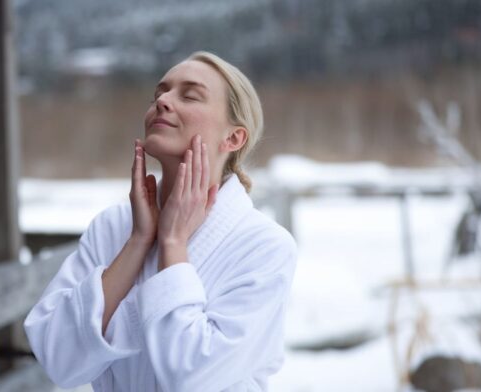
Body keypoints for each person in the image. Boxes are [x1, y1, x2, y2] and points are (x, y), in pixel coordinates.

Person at [24, 51, 298, 392]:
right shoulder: (112, 228)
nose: (164, 101)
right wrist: (138, 242)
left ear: (233, 138)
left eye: (190, 95)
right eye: (159, 93)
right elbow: (57, 357)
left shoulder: (265, 246)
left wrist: (172, 243)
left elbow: (192, 375)